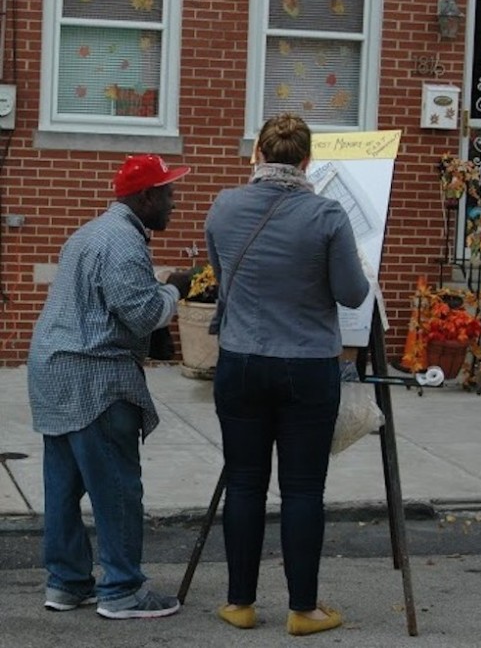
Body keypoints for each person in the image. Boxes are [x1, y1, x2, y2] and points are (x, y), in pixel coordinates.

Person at [205, 113, 370, 636]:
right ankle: (303, 609)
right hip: (305, 364)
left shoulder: (225, 207)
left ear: (257, 154)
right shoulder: (327, 214)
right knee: (302, 491)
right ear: (307, 160)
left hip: (240, 360)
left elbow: (222, 276)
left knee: (245, 483)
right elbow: (351, 294)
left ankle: (240, 604)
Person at [27, 154, 194, 620]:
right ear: (144, 197)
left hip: (54, 369)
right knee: (116, 485)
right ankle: (121, 590)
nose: (173, 202)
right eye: (167, 192)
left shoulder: (91, 232)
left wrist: (156, 289)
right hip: (93, 375)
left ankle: (66, 583)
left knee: (64, 484)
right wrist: (176, 289)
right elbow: (141, 315)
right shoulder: (122, 240)